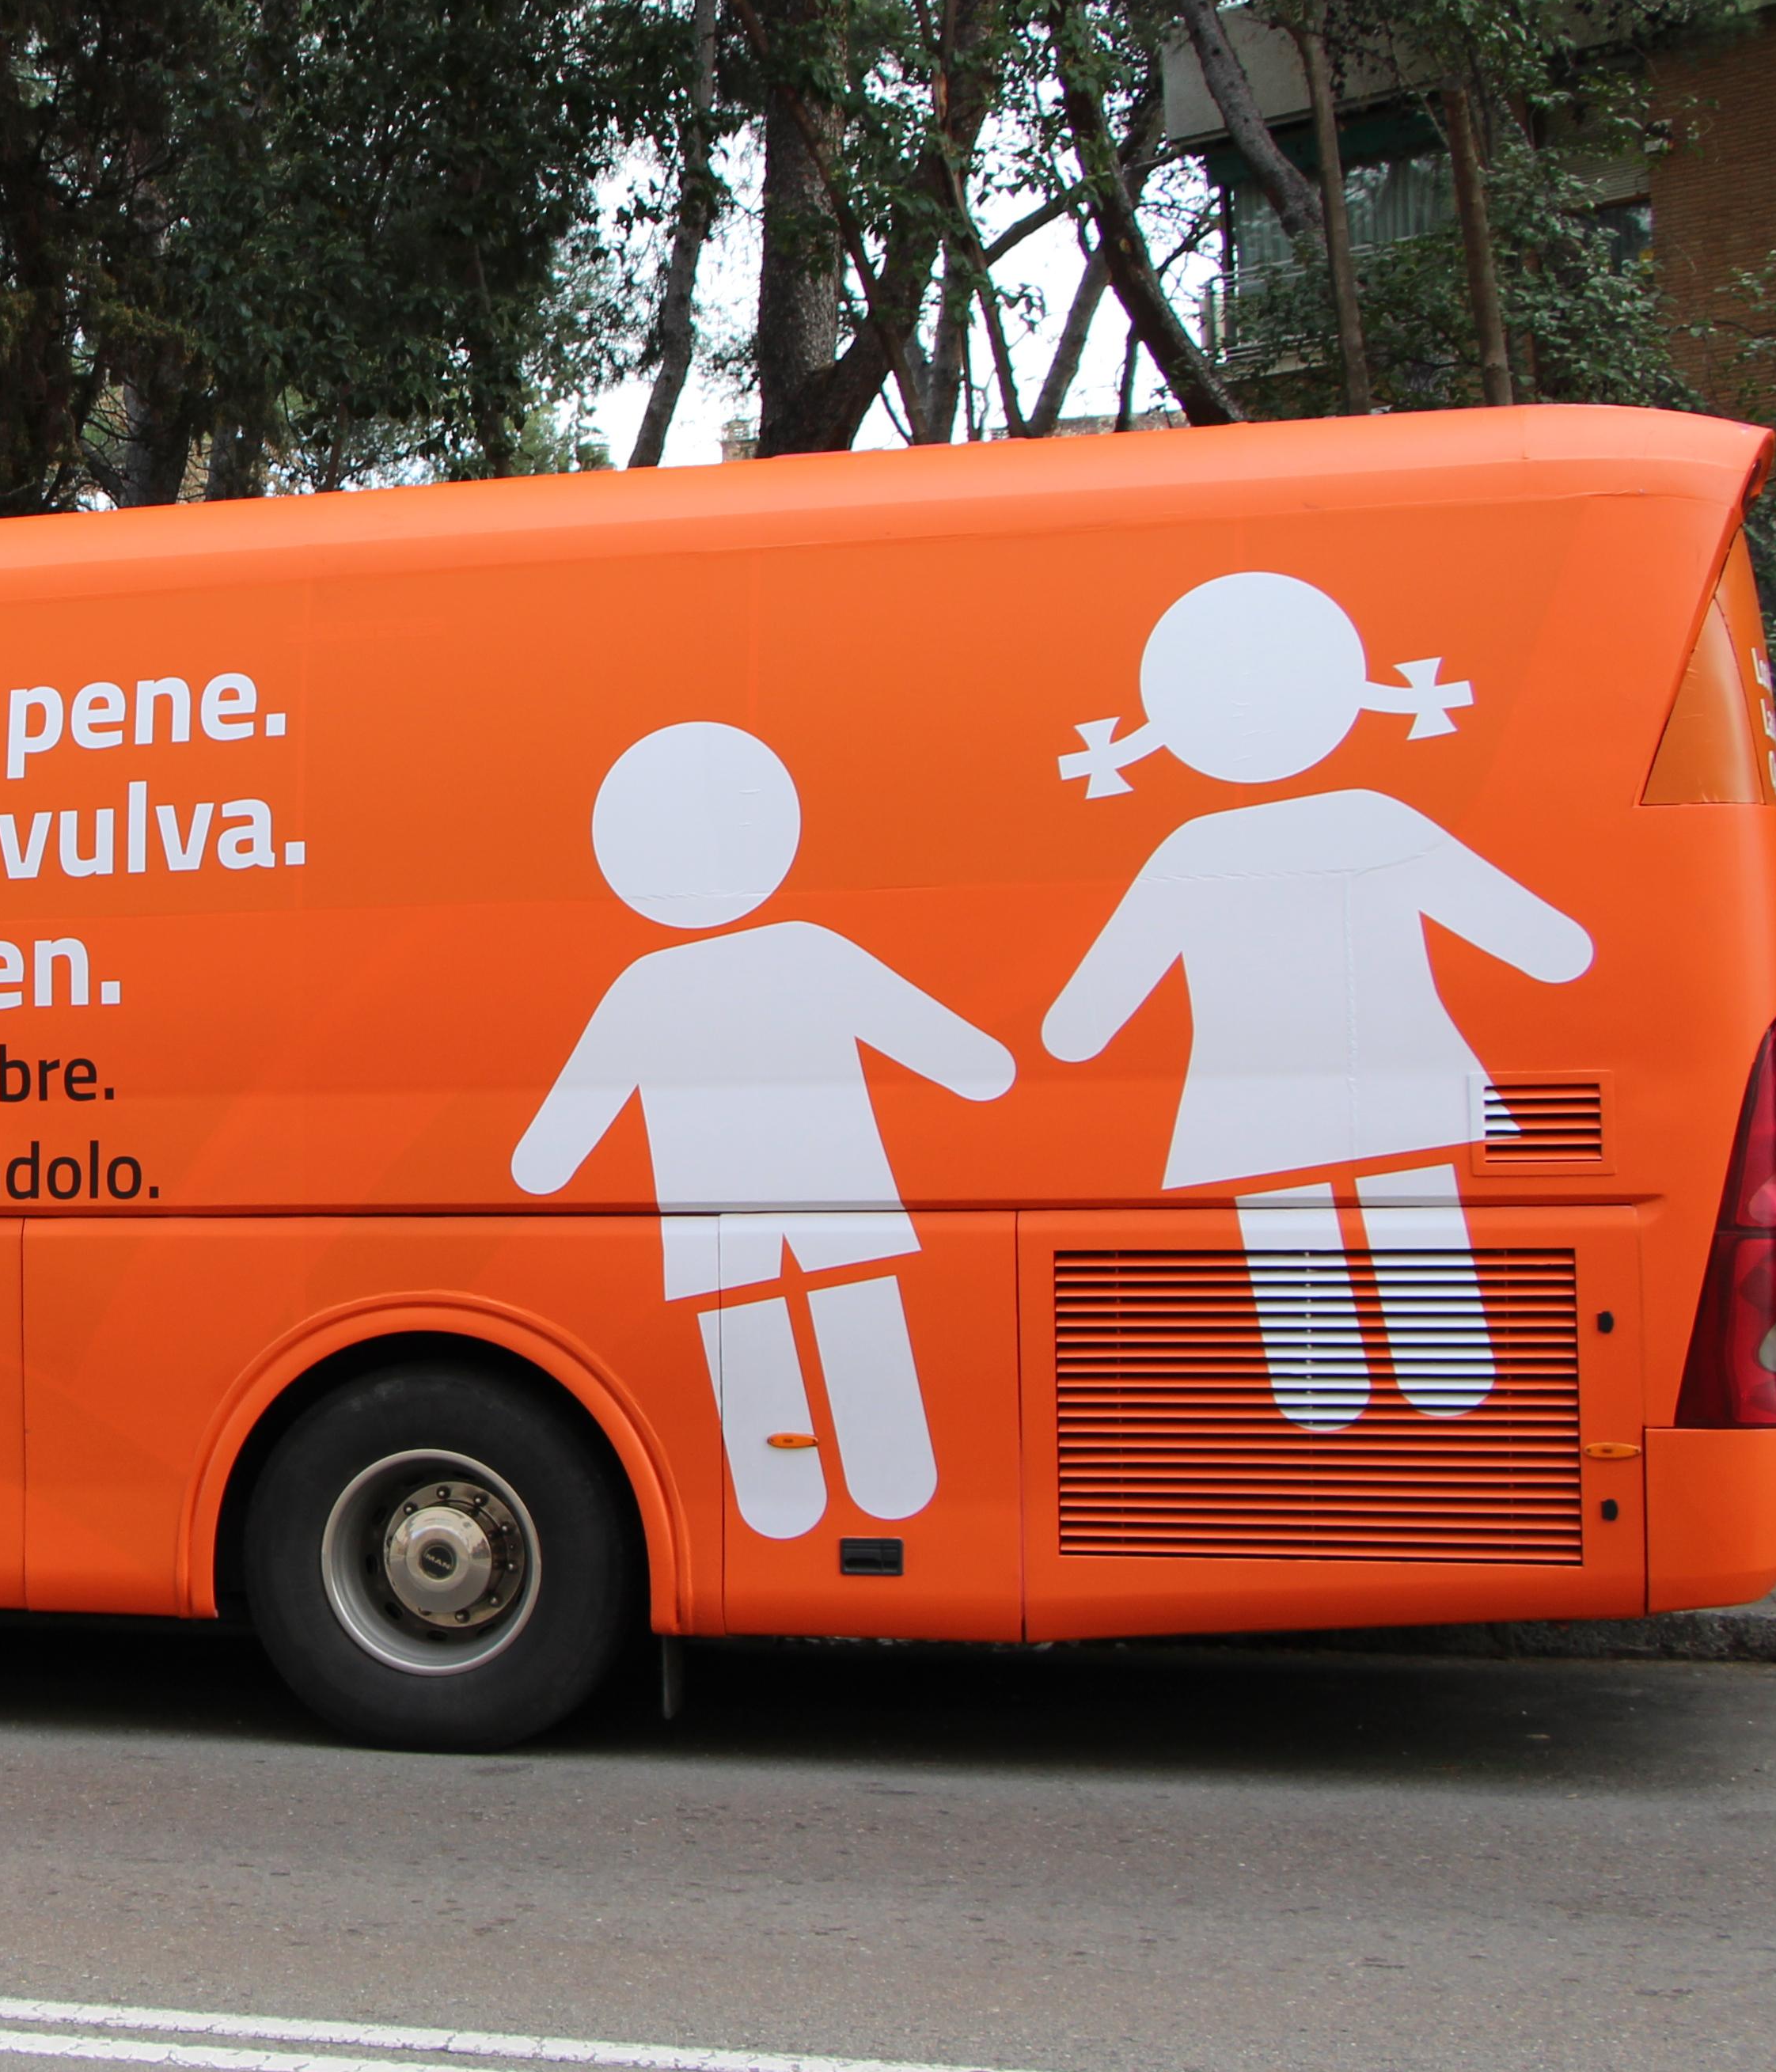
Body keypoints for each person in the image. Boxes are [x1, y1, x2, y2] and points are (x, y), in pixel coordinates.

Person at [1042, 571, 1592, 1425]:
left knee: (1297, 1292)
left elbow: (1080, 1026)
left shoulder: (1192, 850)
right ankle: (1447, 1413)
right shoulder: (1380, 820)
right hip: (1410, 1094)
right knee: (1429, 1266)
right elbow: (1553, 951)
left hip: (1248, 1118)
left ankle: (1325, 1412)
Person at [514, 722, 1015, 1539]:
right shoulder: (811, 951)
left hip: (718, 1233)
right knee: (863, 1326)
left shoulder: (645, 985)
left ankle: (783, 1515)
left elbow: (548, 1157)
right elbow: (972, 1064)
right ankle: (891, 1494)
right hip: (841, 1203)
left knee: (750, 1345)